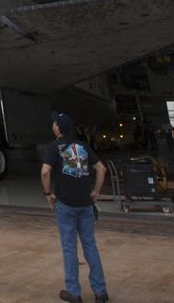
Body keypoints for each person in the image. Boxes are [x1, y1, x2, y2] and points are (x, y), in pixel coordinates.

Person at [42, 112, 109, 303]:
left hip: (66, 204)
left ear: (58, 128)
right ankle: (100, 292)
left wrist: (48, 194)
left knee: (69, 247)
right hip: (86, 204)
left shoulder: (53, 147)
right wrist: (96, 191)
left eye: (54, 123)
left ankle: (74, 292)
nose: (53, 124)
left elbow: (45, 172)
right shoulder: (83, 146)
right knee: (90, 245)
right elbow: (101, 169)